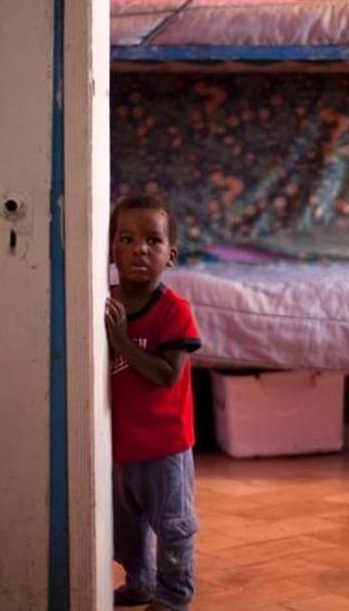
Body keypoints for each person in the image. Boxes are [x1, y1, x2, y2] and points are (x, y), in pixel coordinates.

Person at [106, 194, 201, 611]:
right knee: (126, 526)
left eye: (152, 241)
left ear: (171, 255)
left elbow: (167, 375)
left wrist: (122, 341)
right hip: (120, 444)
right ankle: (139, 582)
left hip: (165, 445)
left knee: (173, 526)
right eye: (126, 239)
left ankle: (174, 595)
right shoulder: (103, 303)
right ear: (110, 249)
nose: (138, 249)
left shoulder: (175, 311)